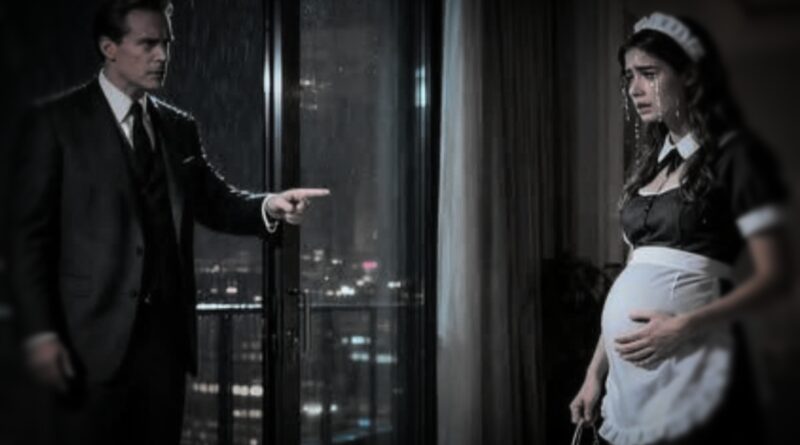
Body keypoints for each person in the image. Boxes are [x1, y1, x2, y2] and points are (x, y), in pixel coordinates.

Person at [9, 0, 329, 443]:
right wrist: (41, 334)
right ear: (109, 47)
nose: (162, 55)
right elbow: (26, 239)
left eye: (167, 43)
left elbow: (214, 201)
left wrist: (270, 205)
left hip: (164, 347)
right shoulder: (57, 123)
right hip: (86, 341)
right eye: (148, 44)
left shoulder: (179, 128)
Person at [569, 12, 792, 445]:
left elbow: (776, 276)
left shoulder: (734, 157)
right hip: (627, 386)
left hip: (696, 362)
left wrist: (684, 325)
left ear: (689, 76)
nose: (634, 89)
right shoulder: (648, 169)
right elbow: (633, 274)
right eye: (629, 76)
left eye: (649, 74)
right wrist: (594, 373)